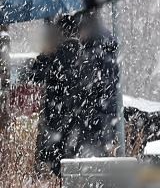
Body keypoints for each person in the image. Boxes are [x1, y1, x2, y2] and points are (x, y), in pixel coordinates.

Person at [25, 18, 81, 176]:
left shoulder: (64, 51)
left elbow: (36, 76)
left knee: (56, 158)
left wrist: (45, 56)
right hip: (67, 113)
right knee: (63, 157)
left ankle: (56, 180)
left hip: (58, 113)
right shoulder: (77, 50)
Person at [74, 11, 121, 157]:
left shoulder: (94, 50)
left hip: (98, 114)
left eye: (78, 31)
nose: (78, 37)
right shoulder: (103, 44)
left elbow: (96, 83)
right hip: (103, 112)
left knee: (94, 160)